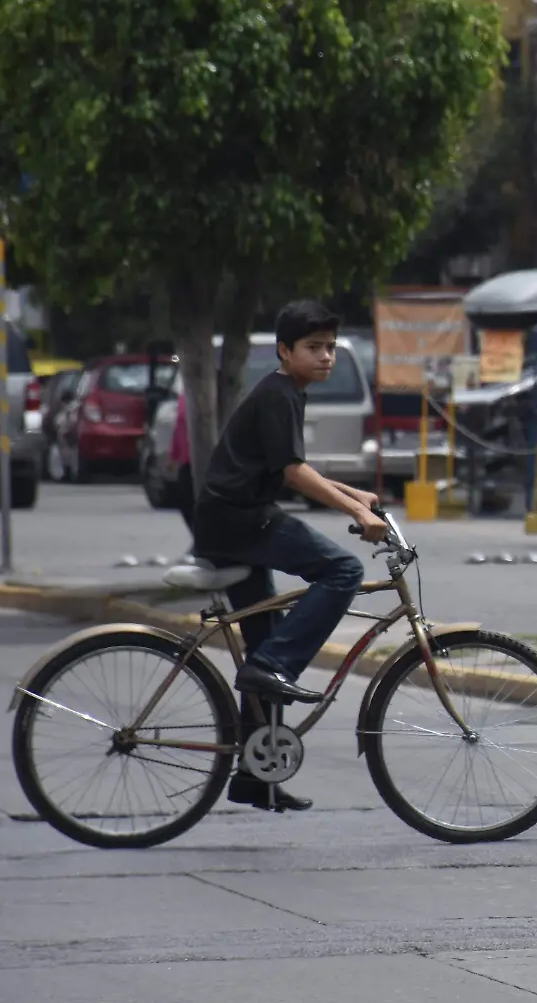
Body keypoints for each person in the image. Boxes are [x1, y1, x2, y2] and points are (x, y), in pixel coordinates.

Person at [190, 301, 388, 812]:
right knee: (343, 569)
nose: (325, 357)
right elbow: (294, 475)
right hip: (240, 522)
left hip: (231, 520)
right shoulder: (279, 395)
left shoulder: (286, 394)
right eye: (313, 348)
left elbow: (292, 466)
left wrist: (353, 495)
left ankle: (257, 777)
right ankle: (275, 666)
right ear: (284, 351)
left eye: (330, 348)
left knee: (265, 641)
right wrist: (357, 515)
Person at [168, 390, 195, 532]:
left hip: (207, 460)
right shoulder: (185, 397)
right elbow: (178, 427)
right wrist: (174, 455)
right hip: (187, 460)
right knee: (185, 501)